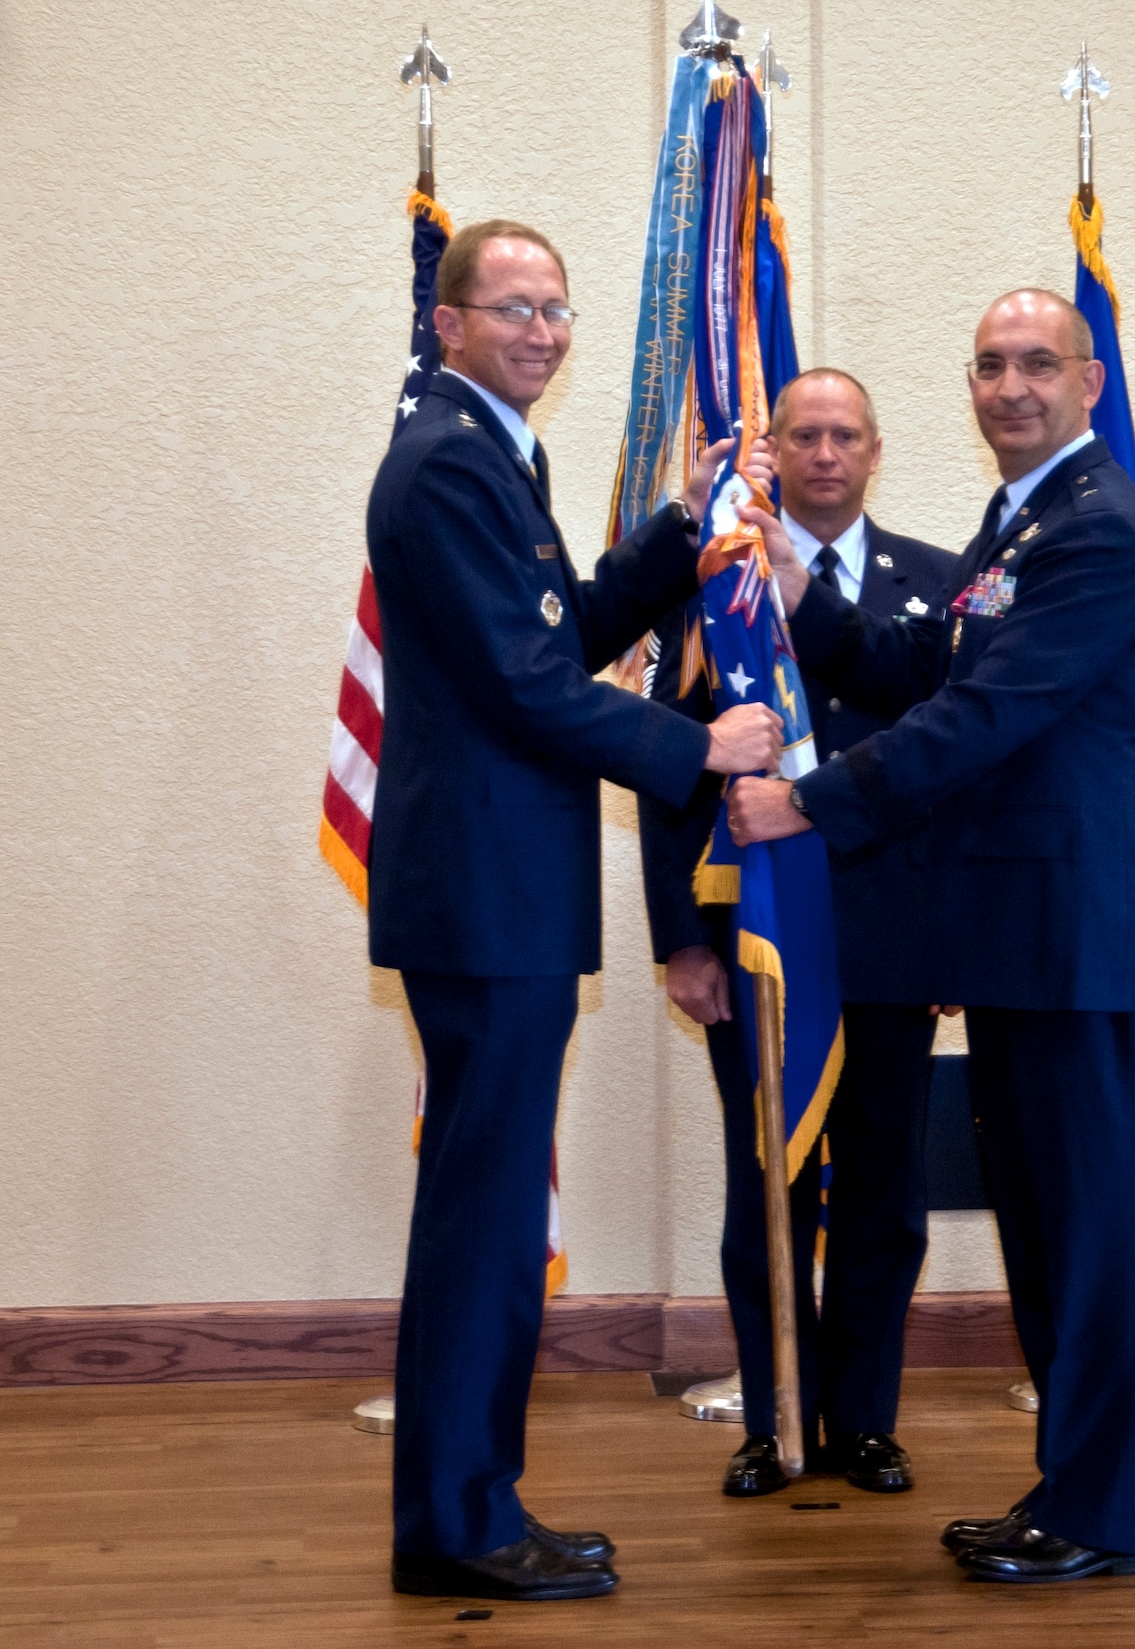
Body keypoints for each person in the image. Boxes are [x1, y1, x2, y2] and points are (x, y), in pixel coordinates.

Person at [728, 290, 1135, 1584]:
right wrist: (792, 599)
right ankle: (1070, 1490)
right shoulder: (1022, 523)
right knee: (1047, 1231)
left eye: (1038, 363)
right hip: (1021, 943)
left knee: (1095, 1236)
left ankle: (1101, 1510)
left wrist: (803, 803)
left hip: (1083, 941)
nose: (1010, 385)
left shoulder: (1098, 531)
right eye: (989, 364)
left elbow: (977, 720)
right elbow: (912, 662)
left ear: (1089, 381)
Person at [365, 218, 781, 1602]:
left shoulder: (489, 452)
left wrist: (684, 528)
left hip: (499, 891)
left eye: (559, 308)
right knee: (482, 1216)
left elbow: (557, 634)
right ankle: (460, 1522)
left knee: (482, 1211)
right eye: (514, 307)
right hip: (485, 897)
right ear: (449, 321)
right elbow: (524, 690)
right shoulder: (445, 464)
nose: (543, 329)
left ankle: (470, 1503)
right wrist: (695, 750)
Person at [637, 368, 958, 1496]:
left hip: (891, 940)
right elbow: (672, 772)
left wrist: (954, 936)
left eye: (844, 436)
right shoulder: (716, 590)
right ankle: (774, 1424)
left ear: (876, 452)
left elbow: (960, 769)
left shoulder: (940, 586)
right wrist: (680, 938)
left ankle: (862, 1421)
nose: (823, 454)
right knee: (765, 1184)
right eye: (802, 435)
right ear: (770, 450)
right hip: (757, 944)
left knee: (881, 1193)